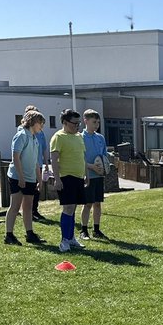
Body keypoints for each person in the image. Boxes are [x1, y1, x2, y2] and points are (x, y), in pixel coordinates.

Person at [4, 110, 45, 246]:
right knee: (15, 206)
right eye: (40, 123)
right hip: (18, 177)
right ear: (33, 122)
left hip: (30, 177)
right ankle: (9, 235)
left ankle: (30, 233)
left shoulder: (34, 138)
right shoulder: (21, 136)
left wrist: (39, 179)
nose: (42, 127)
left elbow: (35, 162)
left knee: (28, 206)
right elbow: (15, 157)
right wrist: (21, 177)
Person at [50, 108, 88, 253]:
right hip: (66, 177)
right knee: (68, 208)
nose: (77, 126)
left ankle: (71, 237)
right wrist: (57, 179)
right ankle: (64, 240)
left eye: (79, 123)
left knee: (73, 209)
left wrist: (86, 175)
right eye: (74, 123)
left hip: (78, 178)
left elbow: (82, 157)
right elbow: (54, 159)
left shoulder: (79, 136)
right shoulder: (58, 137)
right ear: (65, 123)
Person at [79, 109, 109, 240]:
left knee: (97, 203)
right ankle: (84, 230)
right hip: (88, 175)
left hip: (99, 176)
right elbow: (79, 159)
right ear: (86, 121)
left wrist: (104, 167)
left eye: (98, 122)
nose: (96, 125)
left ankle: (96, 229)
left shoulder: (100, 138)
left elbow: (104, 156)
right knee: (87, 204)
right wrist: (91, 167)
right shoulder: (80, 137)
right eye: (94, 122)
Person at [28, 107, 49, 222]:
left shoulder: (40, 132)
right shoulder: (24, 133)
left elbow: (44, 148)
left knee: (37, 189)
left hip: (38, 164)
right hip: (29, 165)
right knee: (29, 189)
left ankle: (34, 210)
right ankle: (28, 211)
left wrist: (46, 163)